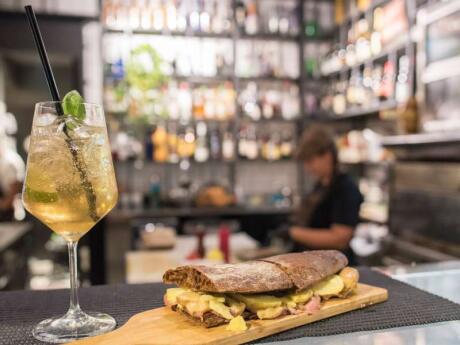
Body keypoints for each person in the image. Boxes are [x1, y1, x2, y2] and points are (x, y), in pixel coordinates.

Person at [289, 125, 363, 263]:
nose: (307, 167)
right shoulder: (321, 185)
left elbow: (340, 238)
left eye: (310, 161)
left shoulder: (345, 188)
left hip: (334, 265)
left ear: (327, 155)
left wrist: (294, 233)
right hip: (314, 261)